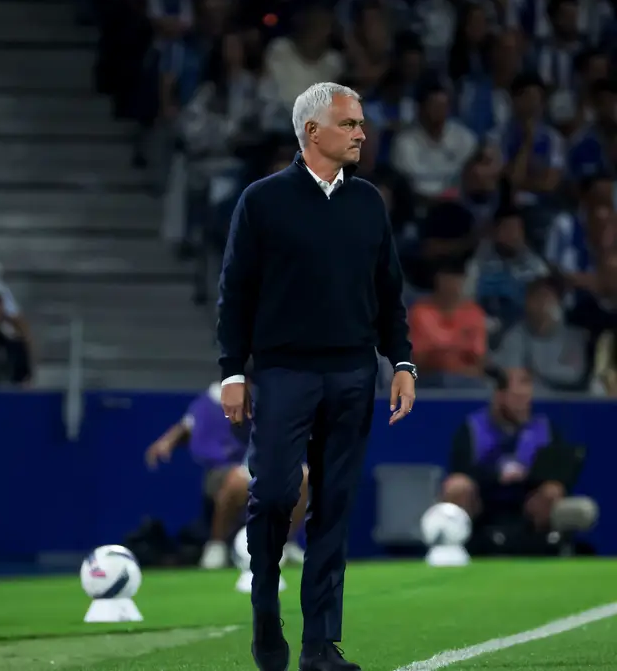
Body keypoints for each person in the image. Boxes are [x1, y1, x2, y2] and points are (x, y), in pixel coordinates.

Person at [217, 82, 415, 671]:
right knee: (275, 491)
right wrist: (232, 371)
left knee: (335, 505)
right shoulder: (262, 200)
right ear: (313, 131)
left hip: (354, 371)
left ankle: (320, 646)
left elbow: (389, 293)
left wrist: (400, 362)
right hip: (283, 371)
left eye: (361, 124)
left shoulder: (369, 202)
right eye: (350, 123)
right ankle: (264, 612)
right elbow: (236, 293)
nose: (361, 133)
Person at [145, 381, 307, 570]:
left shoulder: (273, 394)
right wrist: (167, 442)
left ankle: (285, 543)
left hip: (263, 466)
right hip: (222, 469)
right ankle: (217, 545)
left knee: (303, 475)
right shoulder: (216, 394)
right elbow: (188, 424)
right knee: (237, 480)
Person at [441, 366, 595, 551]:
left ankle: (544, 546)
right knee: (457, 485)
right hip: (484, 499)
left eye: (527, 399)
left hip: (527, 501)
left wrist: (528, 476)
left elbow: (557, 473)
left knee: (553, 490)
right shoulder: (472, 428)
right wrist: (497, 475)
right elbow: (460, 469)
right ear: (500, 396)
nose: (524, 406)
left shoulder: (545, 428)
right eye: (517, 399)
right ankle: (456, 547)